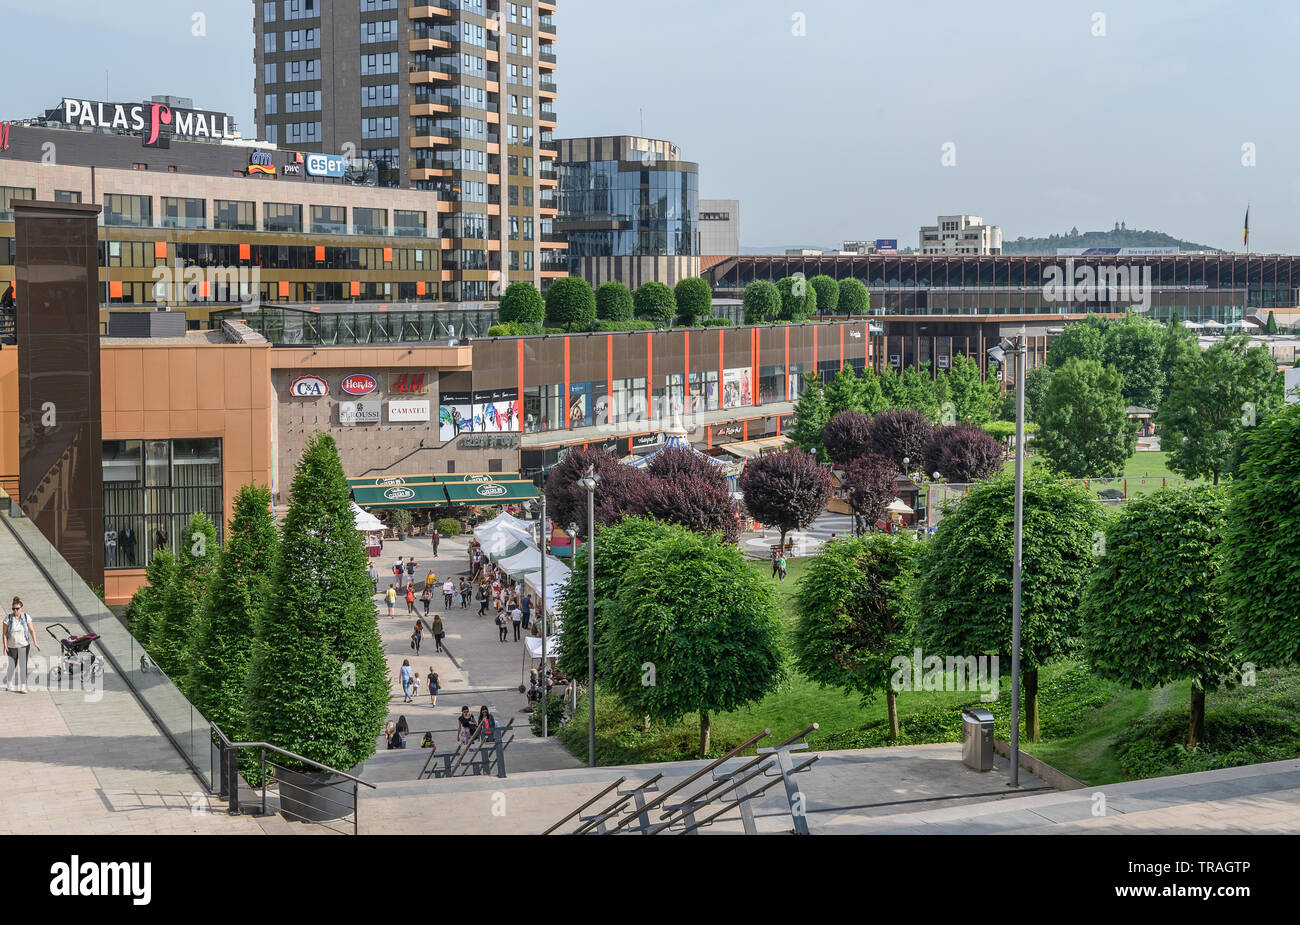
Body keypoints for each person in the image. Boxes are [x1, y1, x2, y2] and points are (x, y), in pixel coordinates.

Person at [4, 597, 40, 693]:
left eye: (17, 609)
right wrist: (5, 645)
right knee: (12, 665)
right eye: (13, 609)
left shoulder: (26, 617)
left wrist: (35, 642)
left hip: (24, 645)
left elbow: (32, 630)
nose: (15, 610)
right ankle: (9, 683)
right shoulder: (8, 618)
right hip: (11, 646)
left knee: (23, 665)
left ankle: (23, 686)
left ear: (21, 608)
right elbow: (4, 633)